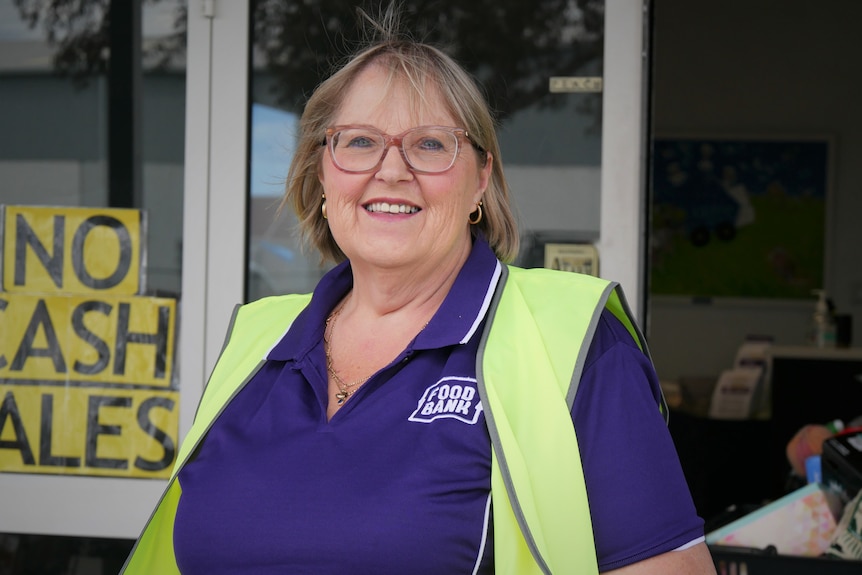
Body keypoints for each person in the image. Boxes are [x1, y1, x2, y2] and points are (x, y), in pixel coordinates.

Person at [121, 7, 716, 575]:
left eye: (431, 144)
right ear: (321, 174)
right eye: (358, 142)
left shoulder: (575, 342)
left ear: (481, 179)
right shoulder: (256, 340)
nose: (392, 169)